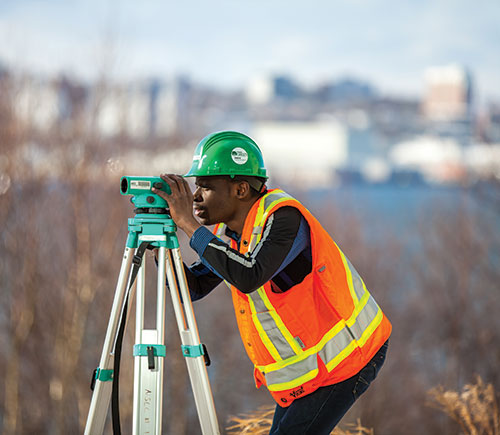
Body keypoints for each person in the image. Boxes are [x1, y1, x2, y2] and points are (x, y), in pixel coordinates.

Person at [153, 131, 391, 435]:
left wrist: (188, 224)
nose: (196, 196)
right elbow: (193, 287)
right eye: (196, 187)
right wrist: (164, 244)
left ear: (240, 189)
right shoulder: (238, 234)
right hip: (313, 369)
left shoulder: (283, 218)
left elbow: (248, 275)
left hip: (351, 357)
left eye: (206, 187)